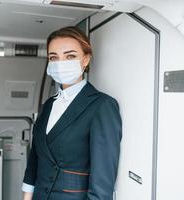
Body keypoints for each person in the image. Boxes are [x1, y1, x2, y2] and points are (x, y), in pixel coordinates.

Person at [22, 26, 122, 200]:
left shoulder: (102, 106)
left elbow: (102, 180)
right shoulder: (48, 105)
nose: (60, 63)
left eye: (70, 56)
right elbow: (35, 157)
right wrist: (27, 196)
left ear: (85, 60)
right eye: (54, 57)